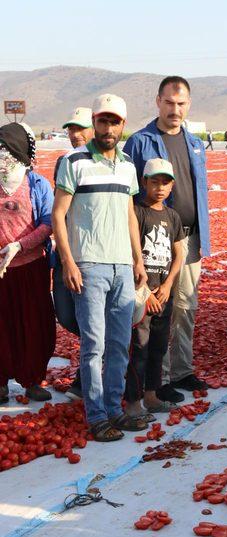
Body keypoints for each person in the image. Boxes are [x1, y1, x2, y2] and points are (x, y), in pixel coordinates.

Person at [52, 94, 146, 441]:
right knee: (94, 345)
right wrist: (68, 262)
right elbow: (58, 215)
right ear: (94, 123)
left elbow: (129, 215)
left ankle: (115, 409)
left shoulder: (127, 166)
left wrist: (137, 259)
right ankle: (96, 416)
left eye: (115, 122)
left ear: (123, 125)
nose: (108, 128)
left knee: (120, 344)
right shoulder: (73, 161)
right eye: (103, 121)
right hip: (88, 265)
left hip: (122, 265)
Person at [124, 76, 211, 401]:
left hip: (188, 239)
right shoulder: (140, 142)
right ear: (158, 101)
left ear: (188, 104)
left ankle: (181, 371)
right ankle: (153, 382)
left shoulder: (195, 143)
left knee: (185, 307)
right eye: (170, 102)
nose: (175, 109)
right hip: (152, 241)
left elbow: (197, 190)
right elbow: (130, 196)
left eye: (181, 103)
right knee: (152, 311)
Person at [124, 159, 184, 421]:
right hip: (141, 292)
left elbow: (179, 252)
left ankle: (151, 394)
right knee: (140, 347)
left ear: (172, 185)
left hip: (164, 291)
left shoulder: (172, 216)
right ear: (144, 183)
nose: (160, 187)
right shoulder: (137, 212)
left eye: (165, 182)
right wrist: (146, 291)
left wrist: (169, 284)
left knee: (158, 347)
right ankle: (133, 401)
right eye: (155, 182)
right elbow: (129, 251)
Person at [0, 122, 55, 405]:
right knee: (2, 327)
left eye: (7, 150)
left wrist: (19, 245)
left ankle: (33, 380)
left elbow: (48, 224)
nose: (2, 157)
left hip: (31, 267)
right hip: (0, 273)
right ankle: (0, 382)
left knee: (34, 324)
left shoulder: (36, 184)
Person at [52, 106, 94, 400]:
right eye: (71, 129)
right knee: (67, 316)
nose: (75, 134)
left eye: (80, 128)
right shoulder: (63, 162)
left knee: (91, 320)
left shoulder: (105, 162)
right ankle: (95, 359)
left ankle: (87, 379)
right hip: (66, 253)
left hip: (92, 254)